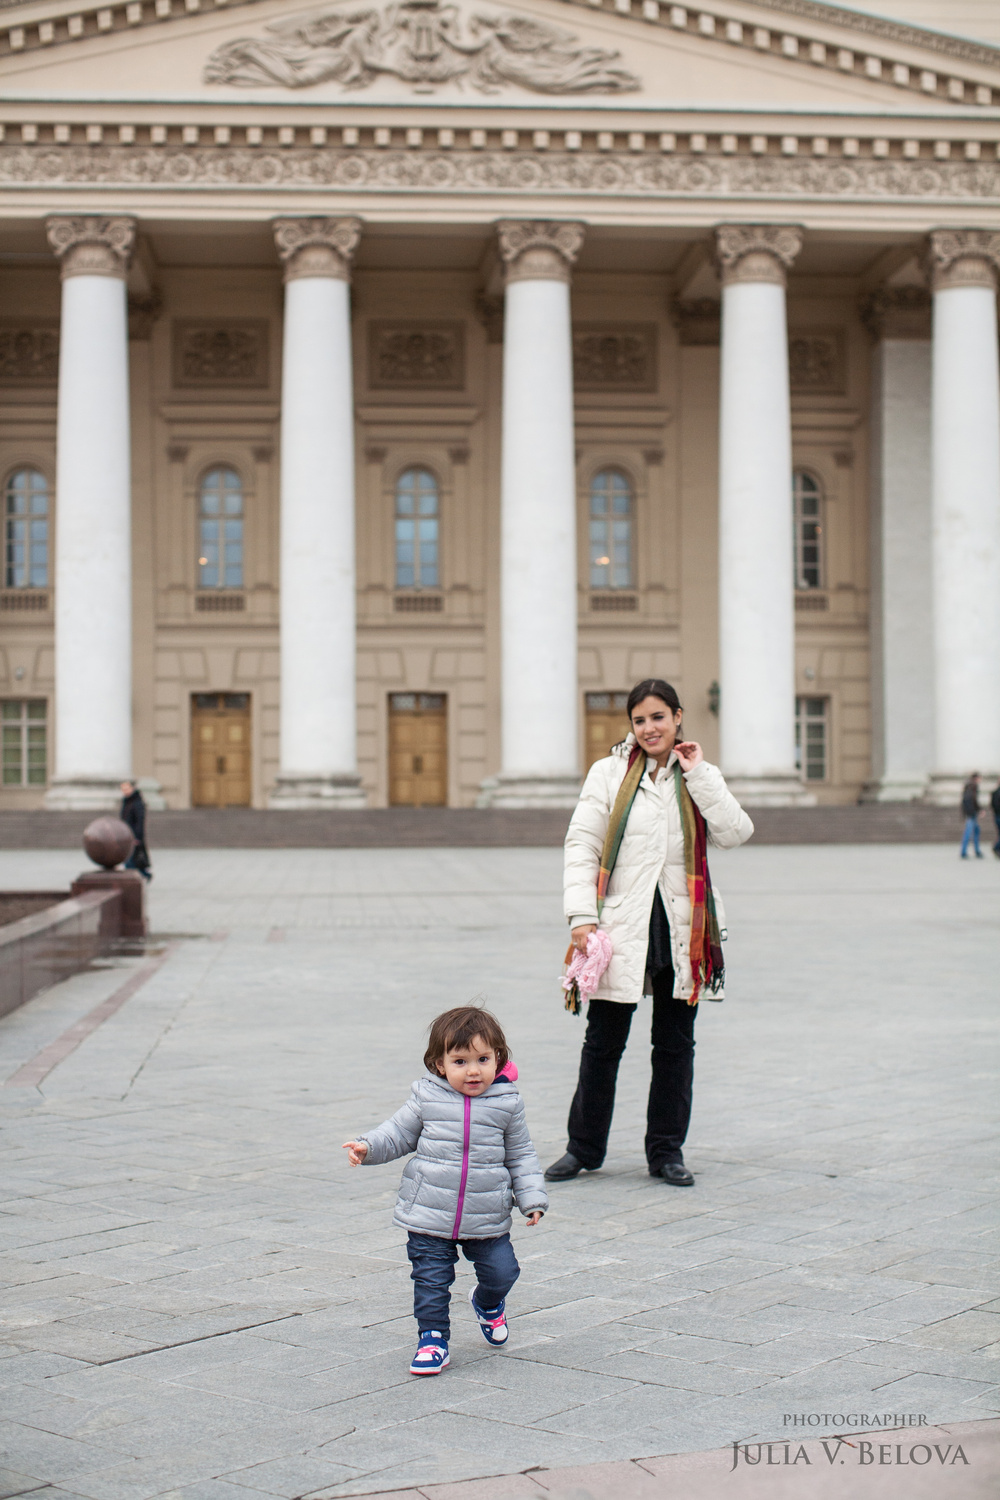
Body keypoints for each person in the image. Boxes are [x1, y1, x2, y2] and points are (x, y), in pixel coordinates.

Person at [546, 678, 753, 1190]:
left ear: (678, 717)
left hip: (685, 928)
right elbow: (582, 844)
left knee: (675, 1045)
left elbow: (735, 832)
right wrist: (581, 917)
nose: (649, 728)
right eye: (640, 720)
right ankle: (583, 1148)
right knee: (603, 1042)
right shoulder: (608, 772)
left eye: (658, 717)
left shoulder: (697, 775)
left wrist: (699, 773)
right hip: (622, 925)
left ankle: (666, 1153)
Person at [342, 1005, 547, 1376]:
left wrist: (532, 1198)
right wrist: (367, 1147)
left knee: (503, 1273)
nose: (473, 1070)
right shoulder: (426, 1098)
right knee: (431, 1281)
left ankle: (488, 1302)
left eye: (483, 1059)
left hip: (486, 1215)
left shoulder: (507, 1103)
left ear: (498, 1058)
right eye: (460, 1061)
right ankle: (432, 1340)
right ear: (439, 1064)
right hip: (428, 1212)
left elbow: (521, 1154)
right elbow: (397, 1134)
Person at [120, 780, 152, 881]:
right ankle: (143, 876)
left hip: (134, 836)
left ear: (132, 788)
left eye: (127, 788)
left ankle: (142, 877)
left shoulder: (137, 803)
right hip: (126, 835)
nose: (125, 791)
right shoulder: (127, 801)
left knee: (130, 861)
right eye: (123, 789)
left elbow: (140, 822)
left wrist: (137, 837)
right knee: (131, 860)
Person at [960, 773, 983, 859]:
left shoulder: (968, 786)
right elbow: (973, 800)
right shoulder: (973, 786)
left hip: (970, 813)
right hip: (971, 814)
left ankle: (976, 850)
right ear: (976, 778)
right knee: (969, 832)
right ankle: (964, 851)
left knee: (976, 831)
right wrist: (978, 810)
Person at [992, 779, 1000, 860]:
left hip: (996, 815)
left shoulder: (994, 792)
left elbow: (992, 805)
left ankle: (997, 847)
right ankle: (996, 847)